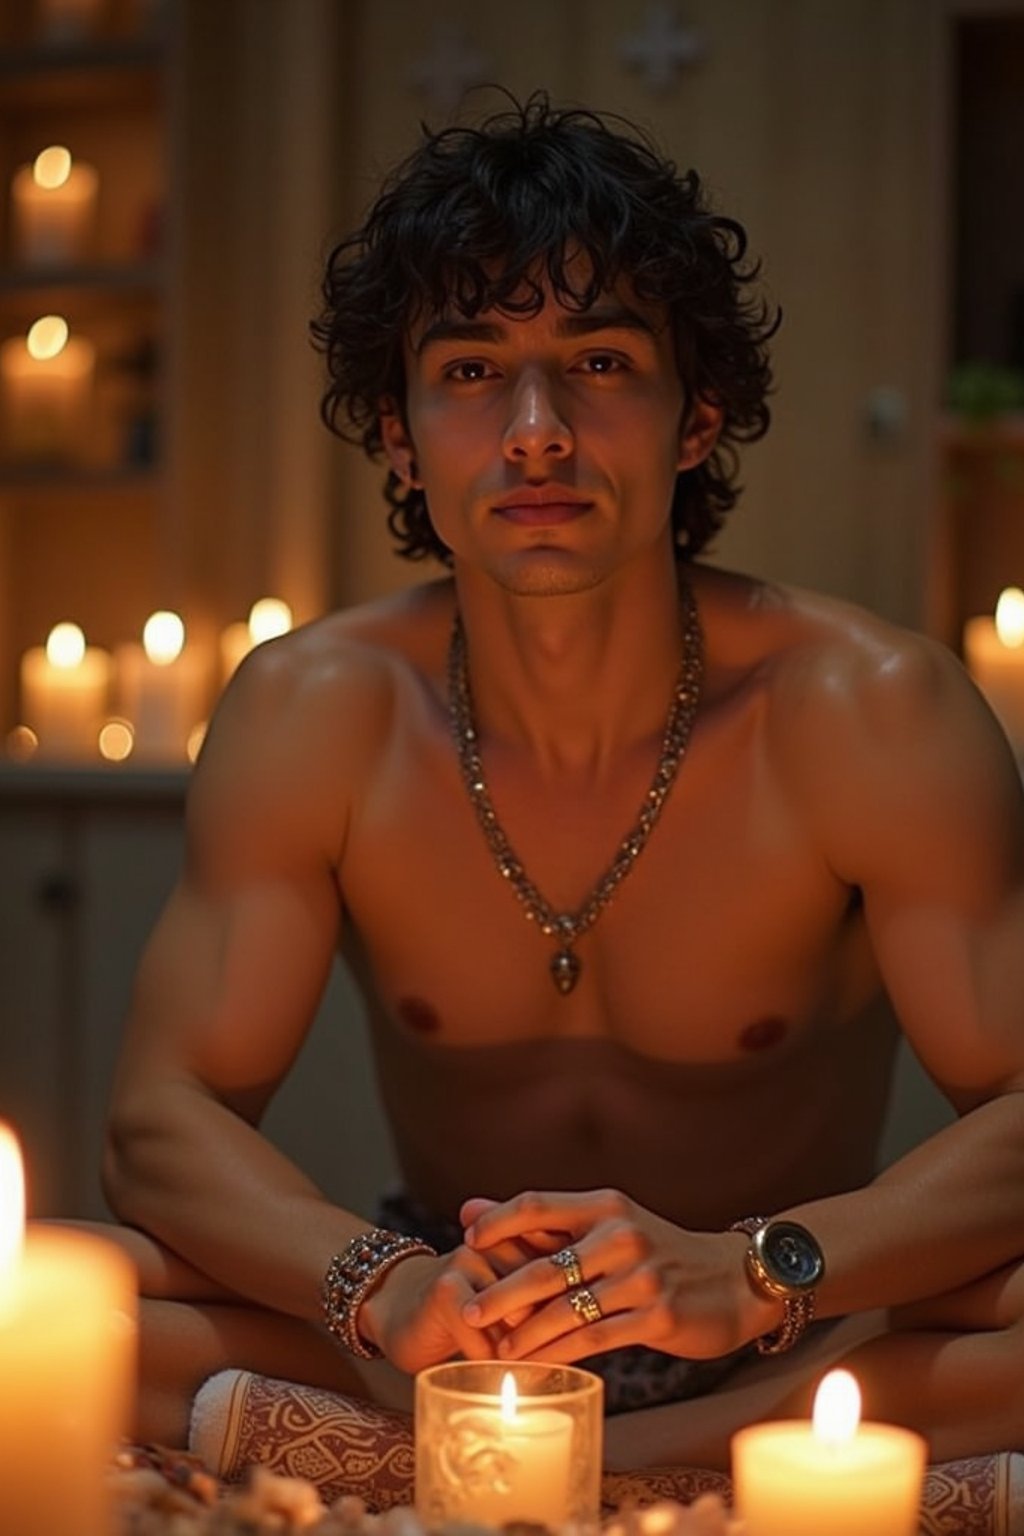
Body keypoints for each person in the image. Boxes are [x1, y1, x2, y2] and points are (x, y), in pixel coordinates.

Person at [101, 94, 1024, 1471]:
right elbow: (160, 1119)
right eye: (472, 372)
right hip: (450, 1335)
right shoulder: (319, 710)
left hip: (783, 1326)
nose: (537, 432)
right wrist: (384, 1285)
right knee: (77, 1287)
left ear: (697, 415)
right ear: (402, 439)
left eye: (597, 362)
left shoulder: (867, 712)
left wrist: (763, 1270)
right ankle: (664, 1476)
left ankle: (485, 1471)